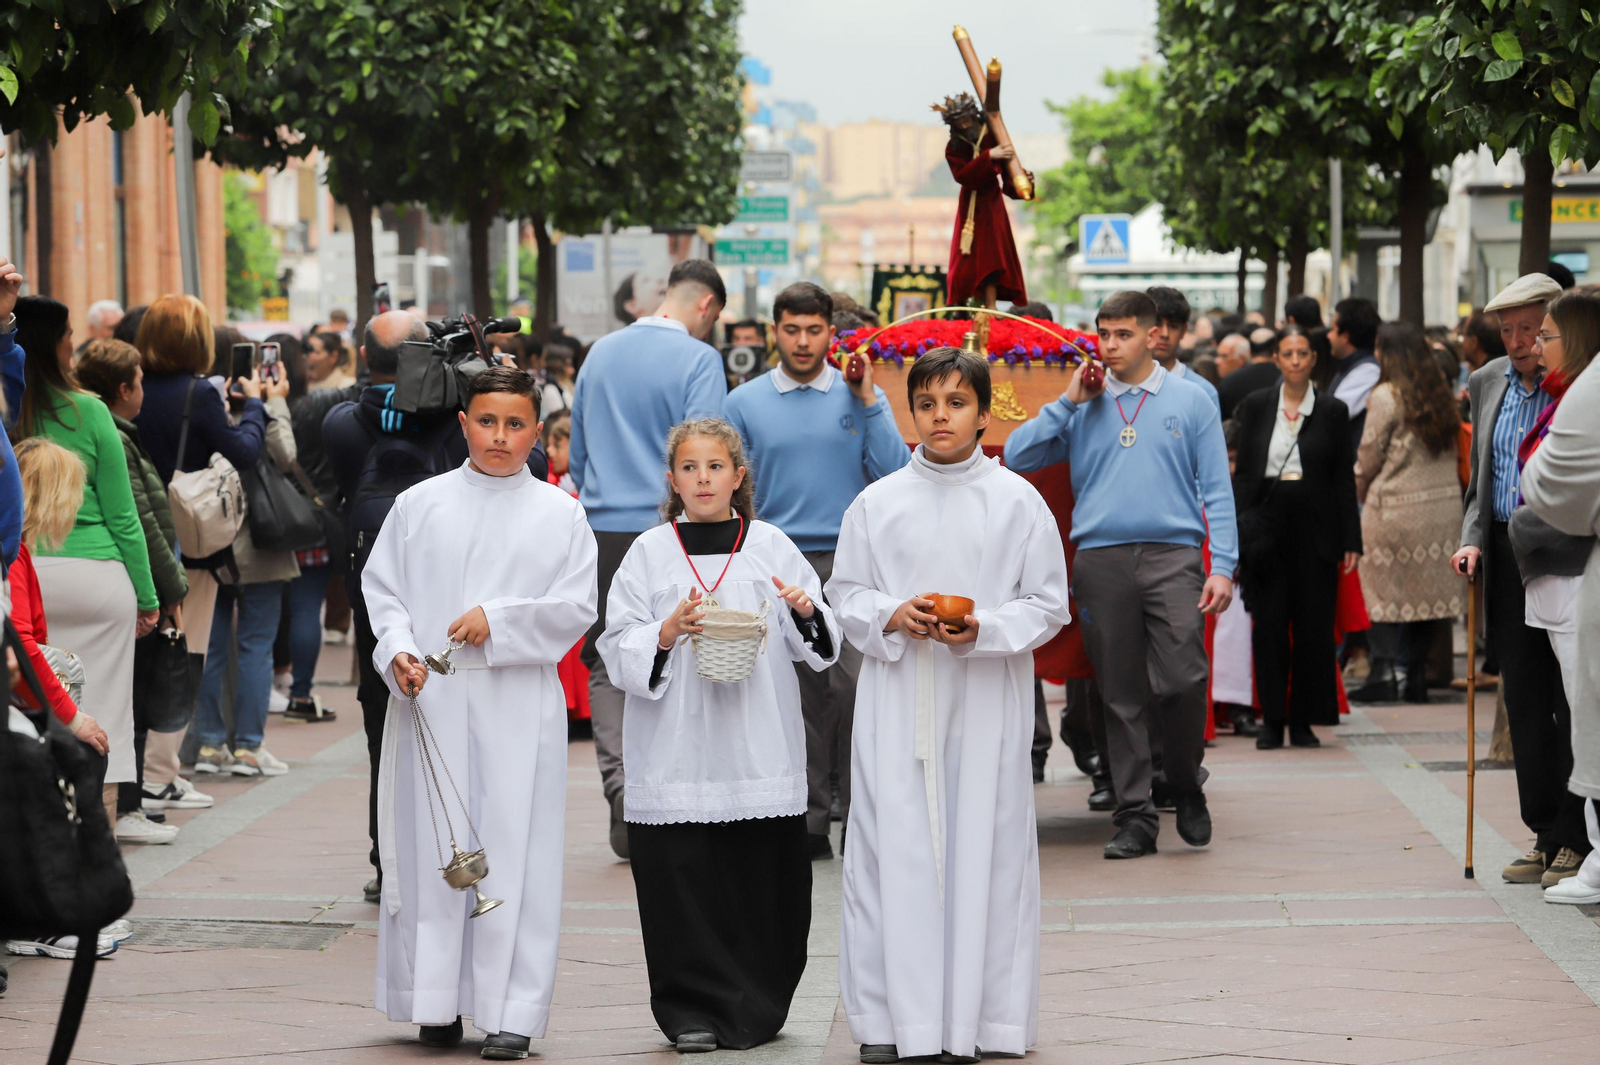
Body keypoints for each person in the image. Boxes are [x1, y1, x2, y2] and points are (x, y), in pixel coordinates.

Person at [827, 346, 1067, 1063]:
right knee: (888, 848)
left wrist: (984, 628)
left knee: (984, 851)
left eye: (956, 403)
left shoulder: (1017, 500)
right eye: (927, 403)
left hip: (984, 696)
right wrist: (893, 614)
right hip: (899, 697)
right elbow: (846, 594)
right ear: (910, 412)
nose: (940, 417)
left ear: (984, 412)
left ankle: (981, 1021)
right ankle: (887, 1021)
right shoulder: (876, 502)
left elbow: (1048, 602)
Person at [363, 366, 598, 1060]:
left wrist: (497, 618)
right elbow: (384, 595)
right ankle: (434, 1001)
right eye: (487, 422)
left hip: (517, 699)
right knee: (434, 840)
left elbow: (575, 606)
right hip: (432, 694)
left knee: (515, 846)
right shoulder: (419, 504)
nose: (500, 437)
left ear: (538, 431)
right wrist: (398, 651)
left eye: (515, 424)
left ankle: (512, 1009)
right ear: (463, 423)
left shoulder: (561, 512)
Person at [599, 418, 834, 1052]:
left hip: (758, 739)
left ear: (738, 475)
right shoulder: (649, 552)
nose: (702, 479)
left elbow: (819, 646)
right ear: (672, 480)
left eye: (714, 467)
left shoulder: (771, 545)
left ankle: (760, 1001)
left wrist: (807, 612)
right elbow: (617, 645)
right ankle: (691, 1011)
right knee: (683, 877)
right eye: (689, 468)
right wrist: (666, 631)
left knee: (759, 874)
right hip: (675, 746)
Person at [323, 311, 547, 903]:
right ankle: (475, 853)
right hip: (446, 608)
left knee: (385, 734)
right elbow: (536, 465)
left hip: (382, 602)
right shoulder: (451, 431)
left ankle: (389, 856)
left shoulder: (346, 421)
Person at [1005, 290, 1236, 860]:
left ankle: (1183, 782)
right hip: (1100, 560)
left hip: (1173, 556)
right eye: (1104, 334)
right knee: (1120, 693)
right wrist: (1066, 401)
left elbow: (1218, 489)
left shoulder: (1193, 398)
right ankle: (1135, 816)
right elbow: (1018, 453)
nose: (1110, 346)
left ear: (1154, 335)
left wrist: (1224, 566)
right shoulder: (1083, 399)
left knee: (1183, 679)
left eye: (1123, 334)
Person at [723, 282, 909, 861]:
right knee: (797, 694)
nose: (803, 342)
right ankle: (808, 818)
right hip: (777, 565)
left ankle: (860, 812)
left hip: (850, 561)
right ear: (774, 331)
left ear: (833, 332)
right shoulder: (744, 402)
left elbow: (895, 471)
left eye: (815, 330)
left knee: (854, 686)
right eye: (792, 329)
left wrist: (871, 399)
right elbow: (737, 489)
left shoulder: (859, 395)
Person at [569, 259, 727, 858]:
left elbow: (579, 456)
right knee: (683, 653)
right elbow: (705, 447)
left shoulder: (601, 352)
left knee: (610, 661)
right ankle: (676, 798)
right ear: (706, 307)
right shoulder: (699, 360)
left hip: (604, 527)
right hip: (671, 532)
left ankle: (621, 789)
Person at [1450, 273, 1586, 886]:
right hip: (1504, 553)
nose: (1518, 342)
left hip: (1565, 550)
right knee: (1525, 696)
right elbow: (1483, 479)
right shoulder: (1485, 383)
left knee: (1573, 696)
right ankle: (1543, 831)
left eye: (1530, 329)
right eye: (1506, 331)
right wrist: (1470, 540)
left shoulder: (1576, 386)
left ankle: (1577, 837)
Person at [13, 295, 159, 838]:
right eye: (68, 333)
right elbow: (125, 518)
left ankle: (40, 839)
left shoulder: (9, 410)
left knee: (30, 712)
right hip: (97, 577)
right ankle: (99, 842)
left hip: (24, 573)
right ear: (55, 343)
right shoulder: (91, 410)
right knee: (107, 714)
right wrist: (148, 597)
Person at [74, 339, 210, 826]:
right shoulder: (112, 433)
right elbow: (138, 521)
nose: (144, 390)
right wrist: (166, 591)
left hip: (99, 578)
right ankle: (125, 806)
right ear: (124, 388)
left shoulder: (110, 429)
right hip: (122, 583)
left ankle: (123, 803)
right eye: (139, 381)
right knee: (123, 697)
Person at [1231, 326, 1361, 749]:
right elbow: (1245, 473)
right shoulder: (1255, 405)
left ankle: (1304, 719)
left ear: (1313, 359)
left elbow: (1343, 477)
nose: (1295, 361)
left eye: (1302, 353)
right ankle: (1272, 718)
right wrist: (1239, 528)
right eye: (1287, 353)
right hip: (1265, 529)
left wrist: (1350, 538)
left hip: (1316, 530)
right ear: (1277, 359)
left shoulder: (1332, 411)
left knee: (1313, 628)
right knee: (1267, 627)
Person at [134, 294, 269, 682]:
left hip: (140, 531)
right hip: (188, 537)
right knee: (185, 651)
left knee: (142, 654)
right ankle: (166, 743)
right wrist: (256, 404)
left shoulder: (132, 384)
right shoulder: (200, 392)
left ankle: (142, 739)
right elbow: (244, 451)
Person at [1521, 297, 1600, 905]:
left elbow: (1551, 486)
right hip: (1553, 576)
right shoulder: (1560, 396)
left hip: (1576, 572)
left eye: (1544, 334)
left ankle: (1590, 853)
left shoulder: (1583, 395)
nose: (1532, 346)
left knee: (1586, 712)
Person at [192, 347, 300, 778]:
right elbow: (285, 455)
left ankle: (210, 743)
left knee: (211, 644)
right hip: (260, 544)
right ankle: (250, 747)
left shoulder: (201, 402)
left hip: (209, 542)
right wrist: (274, 401)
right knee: (256, 644)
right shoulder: (258, 407)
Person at [1350, 322, 1463, 705]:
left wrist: (1356, 493)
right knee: (1425, 596)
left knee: (1380, 591)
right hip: (1442, 511)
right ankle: (1415, 675)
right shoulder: (1441, 394)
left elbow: (1369, 455)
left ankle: (1383, 672)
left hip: (1394, 510)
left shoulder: (1386, 396)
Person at [280, 333, 357, 722]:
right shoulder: (319, 405)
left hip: (269, 519)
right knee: (307, 608)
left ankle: (273, 688)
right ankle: (300, 692)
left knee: (268, 616)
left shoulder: (266, 409)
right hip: (311, 519)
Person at [933, 92, 1027, 307]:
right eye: (959, 122)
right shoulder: (954, 147)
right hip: (970, 207)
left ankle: (991, 305)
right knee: (968, 260)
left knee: (993, 256)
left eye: (967, 119)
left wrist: (1022, 181)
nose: (965, 125)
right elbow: (963, 176)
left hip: (992, 204)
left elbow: (1009, 177)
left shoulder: (993, 134)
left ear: (973, 115)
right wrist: (988, 157)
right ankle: (966, 306)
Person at [1147, 286, 1220, 413]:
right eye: (1157, 324)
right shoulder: (1122, 384)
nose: (1164, 334)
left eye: (1173, 326)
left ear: (1184, 330)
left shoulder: (1203, 391)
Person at [1327, 297, 1382, 449]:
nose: (1329, 336)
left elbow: (1332, 417)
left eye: (1332, 330)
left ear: (1345, 337)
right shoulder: (1352, 366)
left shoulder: (1368, 371)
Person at [1218, 327, 1283, 420]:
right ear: (1276, 351)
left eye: (1224, 356)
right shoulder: (1284, 378)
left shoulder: (1229, 382)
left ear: (1250, 352)